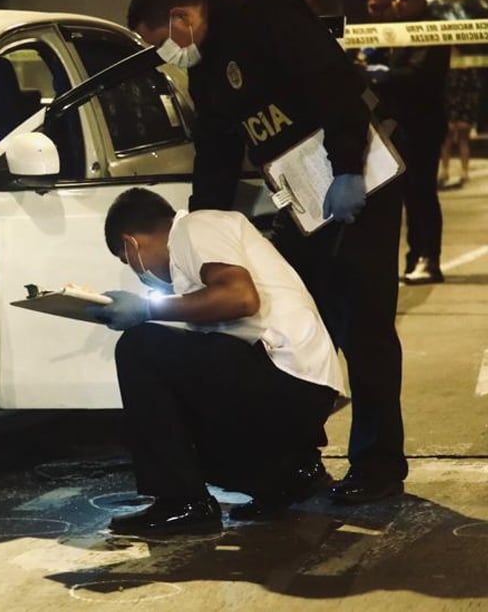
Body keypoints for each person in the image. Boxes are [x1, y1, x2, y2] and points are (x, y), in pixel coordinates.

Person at [125, 0, 408, 506]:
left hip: (358, 185)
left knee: (364, 325)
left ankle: (379, 463)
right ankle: (298, 460)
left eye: (159, 41)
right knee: (295, 321)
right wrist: (198, 226)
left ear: (183, 17)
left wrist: (347, 168)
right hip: (303, 202)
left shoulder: (265, 18)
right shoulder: (207, 71)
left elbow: (333, 84)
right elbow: (216, 155)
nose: (163, 55)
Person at [86, 188, 342, 535]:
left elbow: (240, 298)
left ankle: (181, 502)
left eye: (125, 259)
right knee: (168, 360)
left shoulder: (195, 227)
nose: (135, 272)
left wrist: (147, 310)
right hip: (299, 387)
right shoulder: (192, 263)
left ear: (131, 243)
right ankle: (290, 472)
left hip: (285, 376)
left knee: (137, 347)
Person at [375, 0, 451, 284]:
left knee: (422, 193)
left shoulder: (430, 28)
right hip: (403, 124)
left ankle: (428, 259)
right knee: (409, 194)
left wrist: (383, 75)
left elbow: (419, 75)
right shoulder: (400, 30)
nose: (397, 2)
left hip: (423, 124)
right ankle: (414, 257)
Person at [439, 47, 478, 188]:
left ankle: (463, 171)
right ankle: (445, 170)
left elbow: (474, 88)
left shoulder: (467, 65)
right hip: (451, 106)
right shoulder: (445, 65)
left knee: (461, 140)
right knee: (447, 141)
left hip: (461, 107)